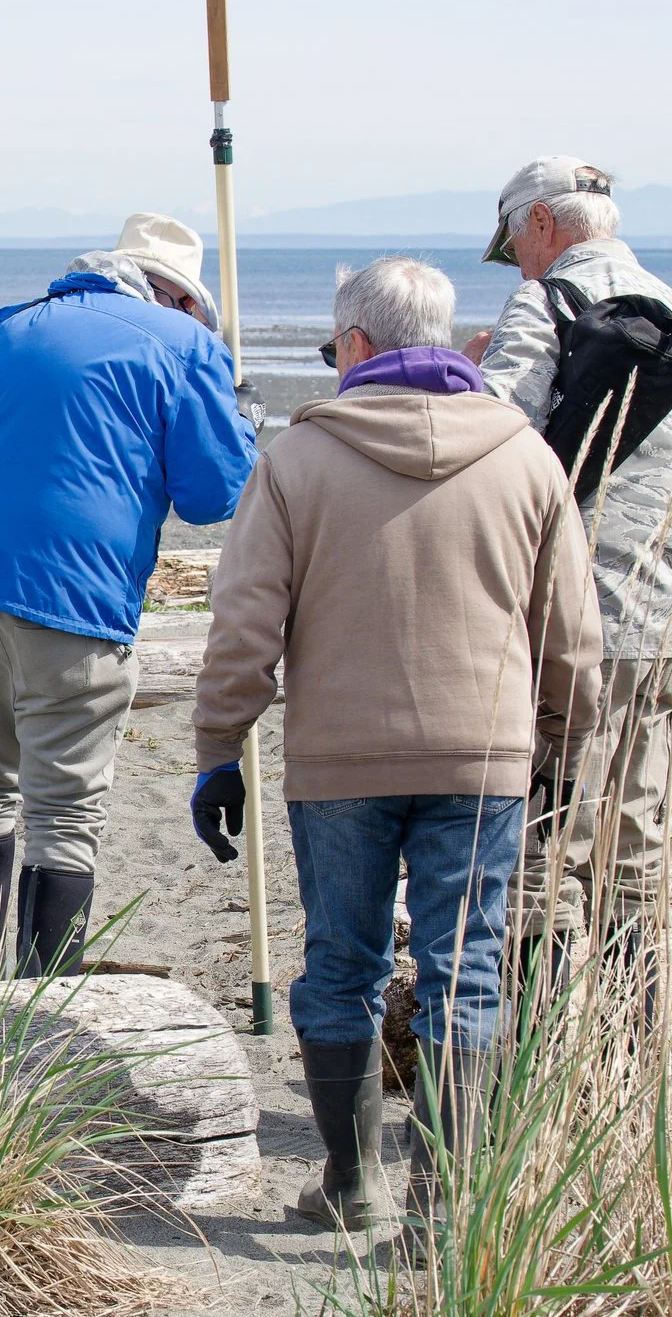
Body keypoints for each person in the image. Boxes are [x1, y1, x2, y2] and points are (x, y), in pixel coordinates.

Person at [192, 257, 601, 1233]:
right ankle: (443, 1208)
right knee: (469, 968)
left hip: (339, 761)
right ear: (451, 345)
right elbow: (572, 636)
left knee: (341, 964)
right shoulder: (525, 457)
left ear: (358, 347)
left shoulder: (296, 459)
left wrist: (219, 743)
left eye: (337, 348)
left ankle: (352, 1179)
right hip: (483, 758)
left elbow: (243, 623)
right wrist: (557, 741)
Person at [0, 217, 254, 982]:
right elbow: (215, 492)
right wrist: (238, 410)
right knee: (64, 807)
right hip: (75, 589)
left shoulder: (10, 325)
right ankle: (38, 1007)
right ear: (175, 295)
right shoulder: (184, 343)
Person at [467, 160, 672, 981]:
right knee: (636, 834)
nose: (517, 259)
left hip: (559, 620)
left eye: (516, 240)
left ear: (544, 225)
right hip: (657, 618)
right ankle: (627, 1048)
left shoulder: (545, 301)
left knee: (545, 840)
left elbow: (491, 441)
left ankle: (533, 1061)